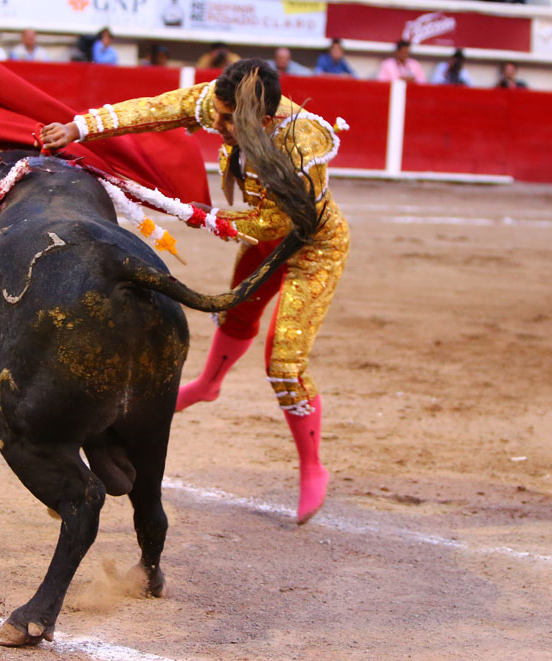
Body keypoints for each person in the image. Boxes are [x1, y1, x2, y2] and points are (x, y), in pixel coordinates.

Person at [40, 58, 350, 525]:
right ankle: (208, 385)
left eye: (227, 121)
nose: (216, 125)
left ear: (263, 120)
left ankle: (313, 466)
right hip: (262, 240)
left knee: (284, 364)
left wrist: (206, 217)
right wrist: (78, 128)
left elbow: (279, 221)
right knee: (236, 314)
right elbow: (155, 110)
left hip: (312, 246)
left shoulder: (302, 143)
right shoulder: (224, 104)